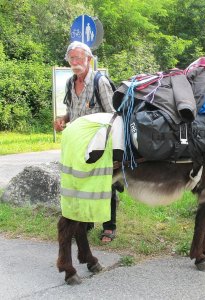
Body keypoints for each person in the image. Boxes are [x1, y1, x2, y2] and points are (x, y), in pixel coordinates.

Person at [54, 41, 119, 243]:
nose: (75, 62)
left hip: (99, 143)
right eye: (71, 58)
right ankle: (87, 223)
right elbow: (72, 111)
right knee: (82, 184)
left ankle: (109, 227)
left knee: (105, 183)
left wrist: (113, 148)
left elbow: (114, 115)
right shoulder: (69, 83)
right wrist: (63, 120)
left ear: (89, 59)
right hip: (78, 145)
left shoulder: (101, 82)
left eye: (78, 58)